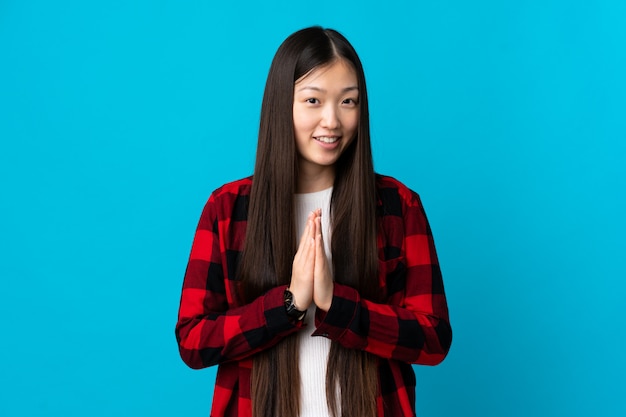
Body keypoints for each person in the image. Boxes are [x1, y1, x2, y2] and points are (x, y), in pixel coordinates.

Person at [175, 26, 452, 417]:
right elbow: (193, 340)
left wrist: (336, 303)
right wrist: (289, 304)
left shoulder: (397, 206)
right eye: (312, 100)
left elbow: (434, 338)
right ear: (281, 105)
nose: (332, 121)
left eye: (348, 102)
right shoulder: (228, 208)